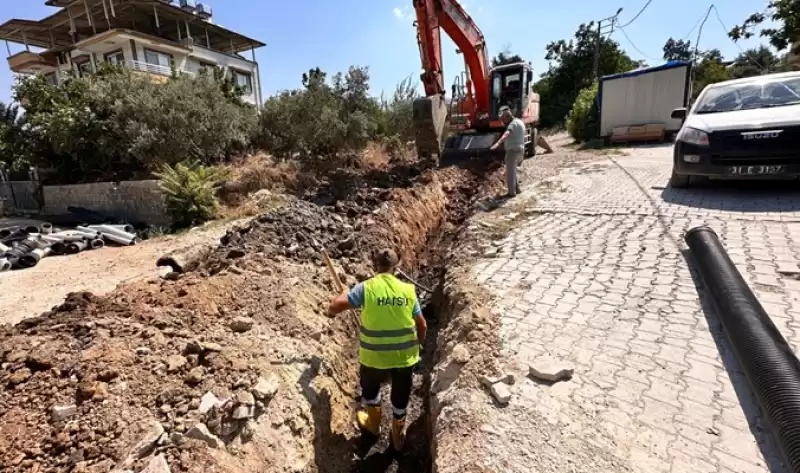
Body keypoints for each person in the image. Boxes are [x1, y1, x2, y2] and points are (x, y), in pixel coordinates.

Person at [327, 248, 427, 451]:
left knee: (370, 391)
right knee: (400, 395)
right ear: (396, 267)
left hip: (374, 358)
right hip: (404, 358)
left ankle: (373, 426)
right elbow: (422, 325)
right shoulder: (407, 290)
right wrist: (420, 347)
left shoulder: (366, 288)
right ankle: (398, 433)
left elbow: (335, 307)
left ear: (375, 266)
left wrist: (344, 293)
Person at [490, 105, 525, 197]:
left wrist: (498, 143)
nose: (502, 121)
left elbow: (507, 133)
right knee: (513, 170)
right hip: (521, 151)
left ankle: (511, 193)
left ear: (507, 116)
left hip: (512, 152)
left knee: (510, 173)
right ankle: (517, 189)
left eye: (503, 119)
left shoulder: (512, 124)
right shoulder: (520, 122)